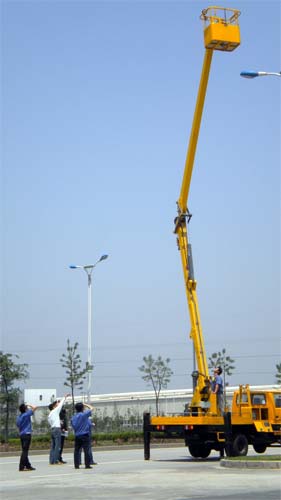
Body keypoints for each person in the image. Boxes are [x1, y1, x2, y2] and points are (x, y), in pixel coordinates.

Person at [48, 394, 70, 465]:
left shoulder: (50, 414)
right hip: (57, 429)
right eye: (56, 404)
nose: (58, 404)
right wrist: (65, 397)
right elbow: (61, 404)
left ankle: (52, 460)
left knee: (53, 446)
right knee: (58, 445)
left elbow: (50, 422)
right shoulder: (55, 411)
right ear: (54, 406)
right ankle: (56, 460)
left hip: (52, 429)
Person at [71, 402, 94, 469]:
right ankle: (87, 464)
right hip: (84, 434)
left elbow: (73, 425)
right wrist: (85, 404)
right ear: (82, 408)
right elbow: (92, 408)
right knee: (86, 450)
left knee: (76, 451)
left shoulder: (73, 417)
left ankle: (76, 465)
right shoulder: (84, 415)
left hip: (77, 435)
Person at [16, 402, 37, 471]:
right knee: (25, 451)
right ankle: (21, 466)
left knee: (24, 450)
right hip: (27, 434)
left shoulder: (19, 417)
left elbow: (18, 425)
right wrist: (29, 405)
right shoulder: (26, 414)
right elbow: (35, 407)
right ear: (25, 409)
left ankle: (28, 465)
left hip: (22, 434)